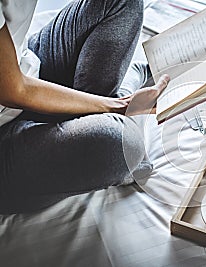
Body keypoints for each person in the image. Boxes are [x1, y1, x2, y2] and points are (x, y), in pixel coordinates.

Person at [0, 0, 169, 214]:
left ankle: (92, 121)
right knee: (123, 144)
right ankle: (128, 88)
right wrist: (118, 105)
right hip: (10, 111)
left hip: (23, 65)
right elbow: (14, 90)